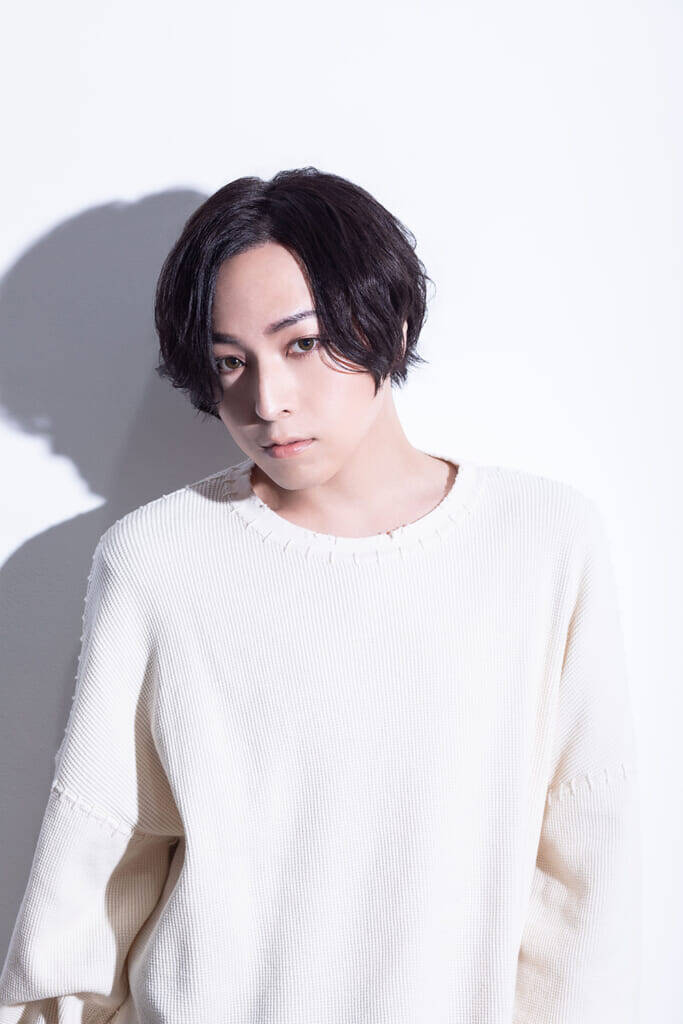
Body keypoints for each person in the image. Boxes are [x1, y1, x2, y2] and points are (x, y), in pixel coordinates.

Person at [0, 167, 641, 1023]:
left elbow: (584, 861)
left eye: (300, 344)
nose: (265, 401)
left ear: (390, 322)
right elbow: (100, 857)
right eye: (230, 362)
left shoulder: (542, 540)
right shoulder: (158, 561)